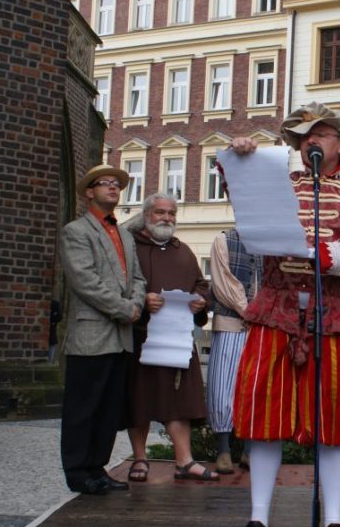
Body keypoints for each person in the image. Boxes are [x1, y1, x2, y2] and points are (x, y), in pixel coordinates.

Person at [229, 102, 340, 527]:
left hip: (333, 315)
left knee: (334, 417)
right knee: (265, 413)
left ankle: (334, 517)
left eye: (319, 134)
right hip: (275, 313)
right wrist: (241, 157)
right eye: (303, 136)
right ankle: (259, 516)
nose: (309, 141)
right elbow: (244, 197)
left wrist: (320, 254)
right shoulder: (281, 184)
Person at [59, 164, 146, 495]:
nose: (113, 187)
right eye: (105, 183)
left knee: (109, 408)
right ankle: (78, 472)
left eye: (116, 184)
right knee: (84, 407)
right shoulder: (76, 231)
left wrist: (136, 303)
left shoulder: (124, 234)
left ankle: (98, 467)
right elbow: (85, 282)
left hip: (120, 336)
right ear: (89, 192)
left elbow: (136, 277)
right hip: (91, 335)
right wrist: (125, 309)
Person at [123, 193, 218, 483]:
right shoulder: (131, 248)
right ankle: (140, 458)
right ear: (147, 215)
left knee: (180, 402)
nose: (167, 218)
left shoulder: (184, 251)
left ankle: (184, 461)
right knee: (139, 400)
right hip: (142, 338)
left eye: (171, 213)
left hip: (177, 339)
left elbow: (202, 285)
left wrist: (202, 301)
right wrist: (142, 300)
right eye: (160, 212)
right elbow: (119, 287)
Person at [207, 227, 262, 474]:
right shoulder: (223, 240)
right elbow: (223, 282)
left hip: (260, 326)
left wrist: (260, 313)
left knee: (255, 387)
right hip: (230, 322)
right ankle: (223, 449)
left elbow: (271, 283)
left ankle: (249, 450)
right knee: (223, 385)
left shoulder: (268, 244)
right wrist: (247, 310)